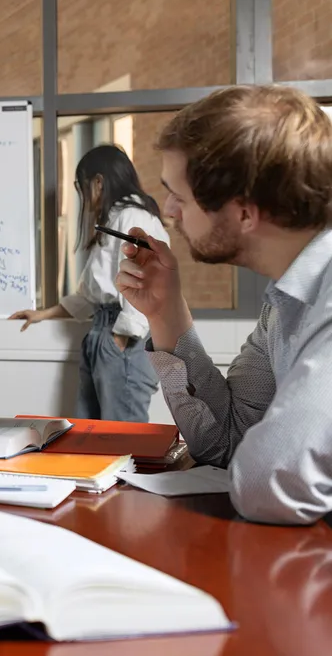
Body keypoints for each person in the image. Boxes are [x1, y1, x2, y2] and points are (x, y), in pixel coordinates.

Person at [116, 84, 332, 525]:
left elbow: (270, 482)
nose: (171, 211)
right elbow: (227, 442)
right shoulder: (285, 301)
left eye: (180, 195)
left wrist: (258, 461)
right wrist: (165, 312)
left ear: (244, 212)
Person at [10, 144, 169, 422]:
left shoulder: (134, 217)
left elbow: (149, 283)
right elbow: (89, 295)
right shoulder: (115, 219)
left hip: (121, 337)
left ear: (98, 182)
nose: (82, 195)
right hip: (104, 333)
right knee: (90, 434)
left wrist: (121, 339)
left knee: (122, 441)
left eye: (81, 186)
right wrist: (42, 315)